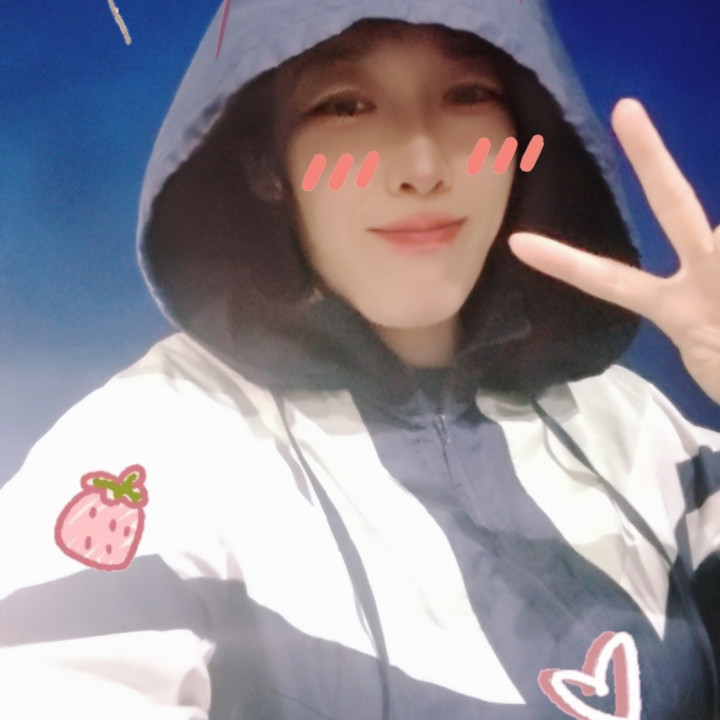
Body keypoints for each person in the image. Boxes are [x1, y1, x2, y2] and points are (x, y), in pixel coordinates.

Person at [0, 1, 718, 718]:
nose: (423, 167)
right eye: (345, 105)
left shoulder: (639, 431)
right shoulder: (148, 455)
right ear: (263, 162)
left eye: (468, 94)